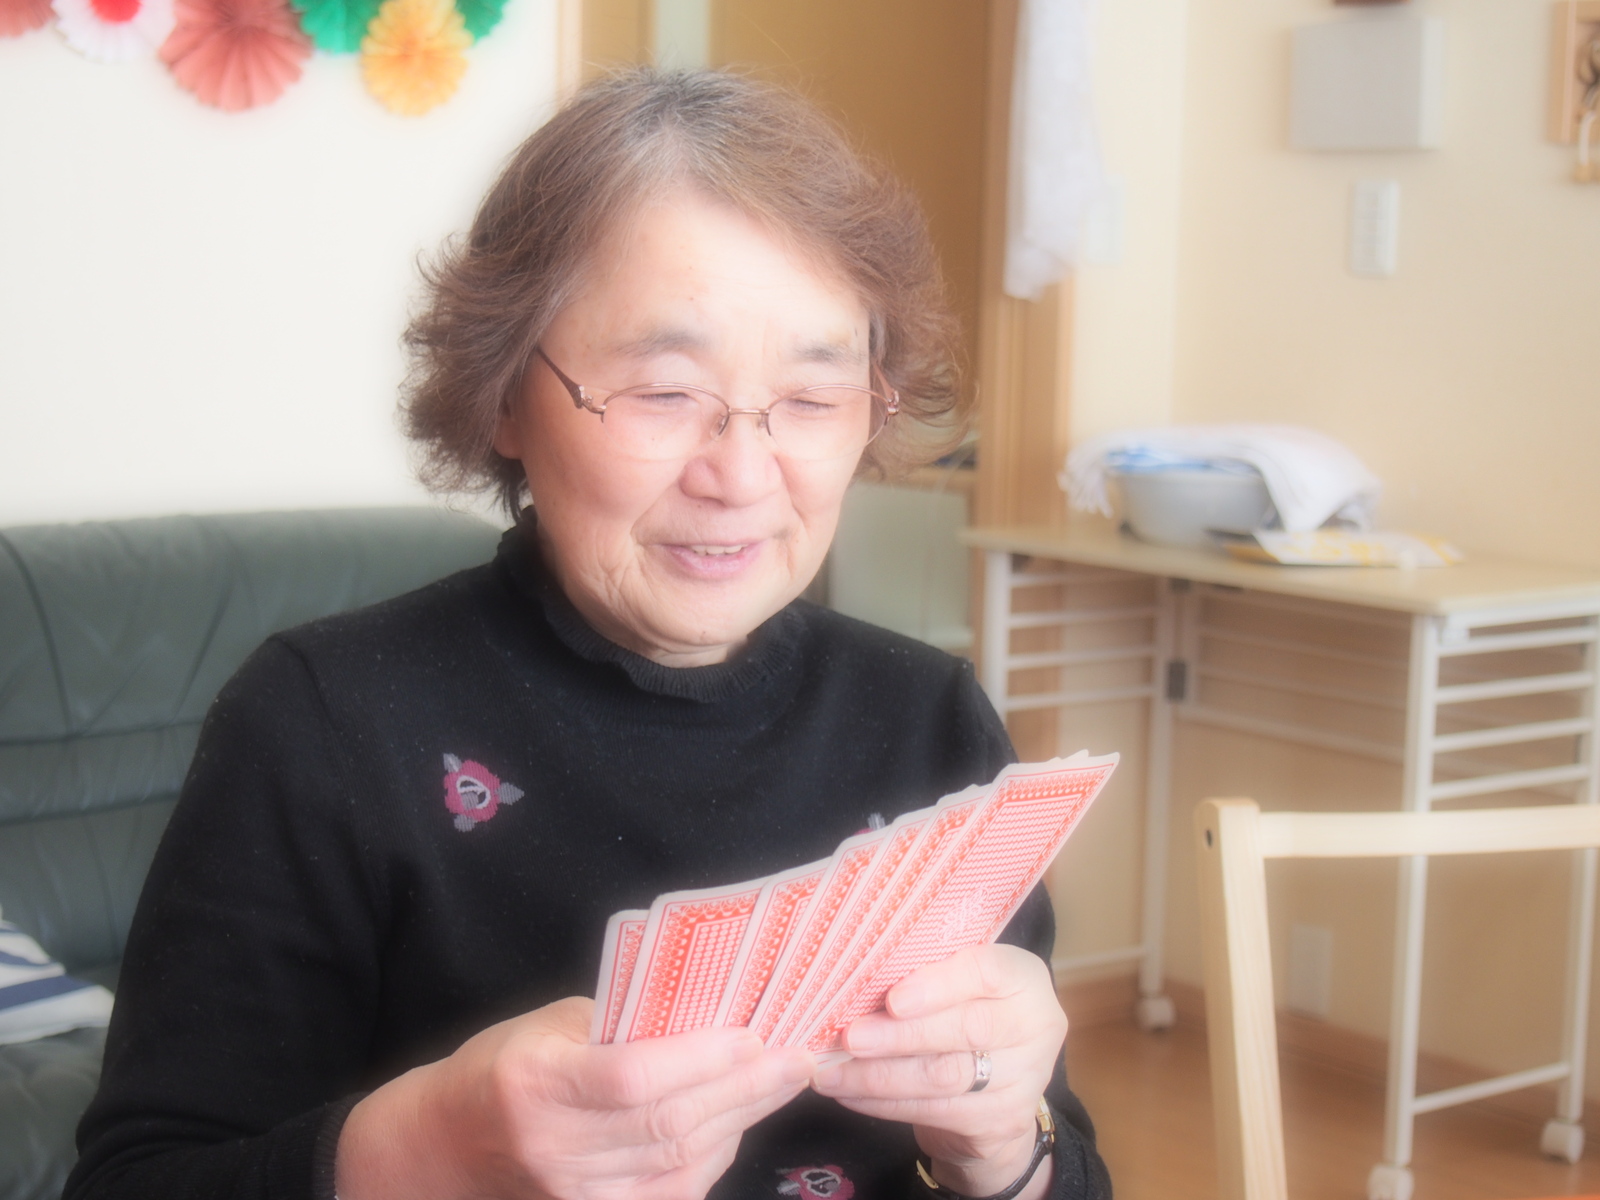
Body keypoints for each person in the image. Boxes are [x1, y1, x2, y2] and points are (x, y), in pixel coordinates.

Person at [65, 70, 1112, 1200]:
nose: (741, 476)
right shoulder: (321, 721)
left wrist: (1005, 1151)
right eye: (664, 392)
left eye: (812, 401)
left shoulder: (928, 720)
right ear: (505, 396)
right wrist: (430, 1146)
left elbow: (1064, 1166)